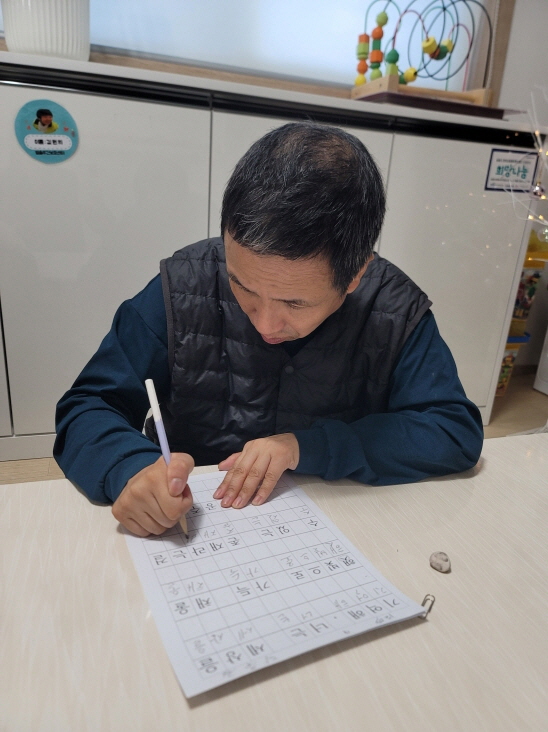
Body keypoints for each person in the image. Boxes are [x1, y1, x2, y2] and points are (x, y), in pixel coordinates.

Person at [54, 121, 483, 537]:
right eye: (242, 286)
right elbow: (89, 404)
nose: (264, 323)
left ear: (356, 275)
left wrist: (306, 447)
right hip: (196, 522)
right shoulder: (183, 284)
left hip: (338, 526)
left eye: (294, 303)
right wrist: (129, 466)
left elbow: (452, 431)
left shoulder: (394, 308)